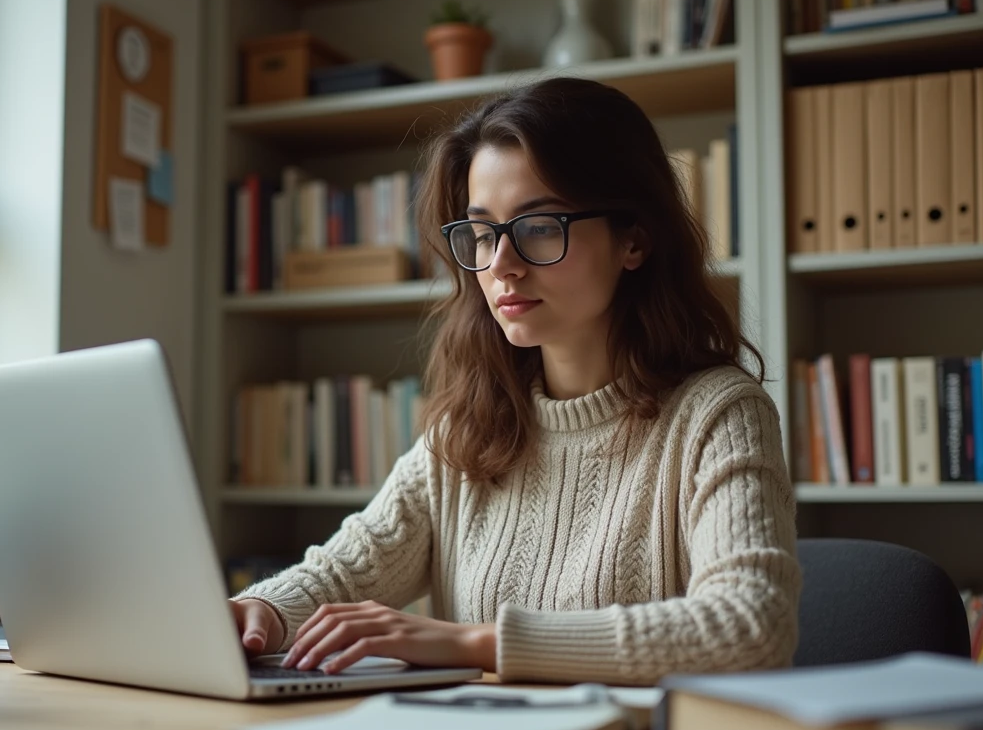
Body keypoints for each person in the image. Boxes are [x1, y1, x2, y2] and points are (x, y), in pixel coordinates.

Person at [229, 76, 801, 686]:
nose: (501, 263)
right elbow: (345, 572)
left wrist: (477, 644)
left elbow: (750, 626)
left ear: (633, 238)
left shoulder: (719, 416)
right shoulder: (469, 426)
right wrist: (257, 611)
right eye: (481, 232)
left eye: (540, 226)